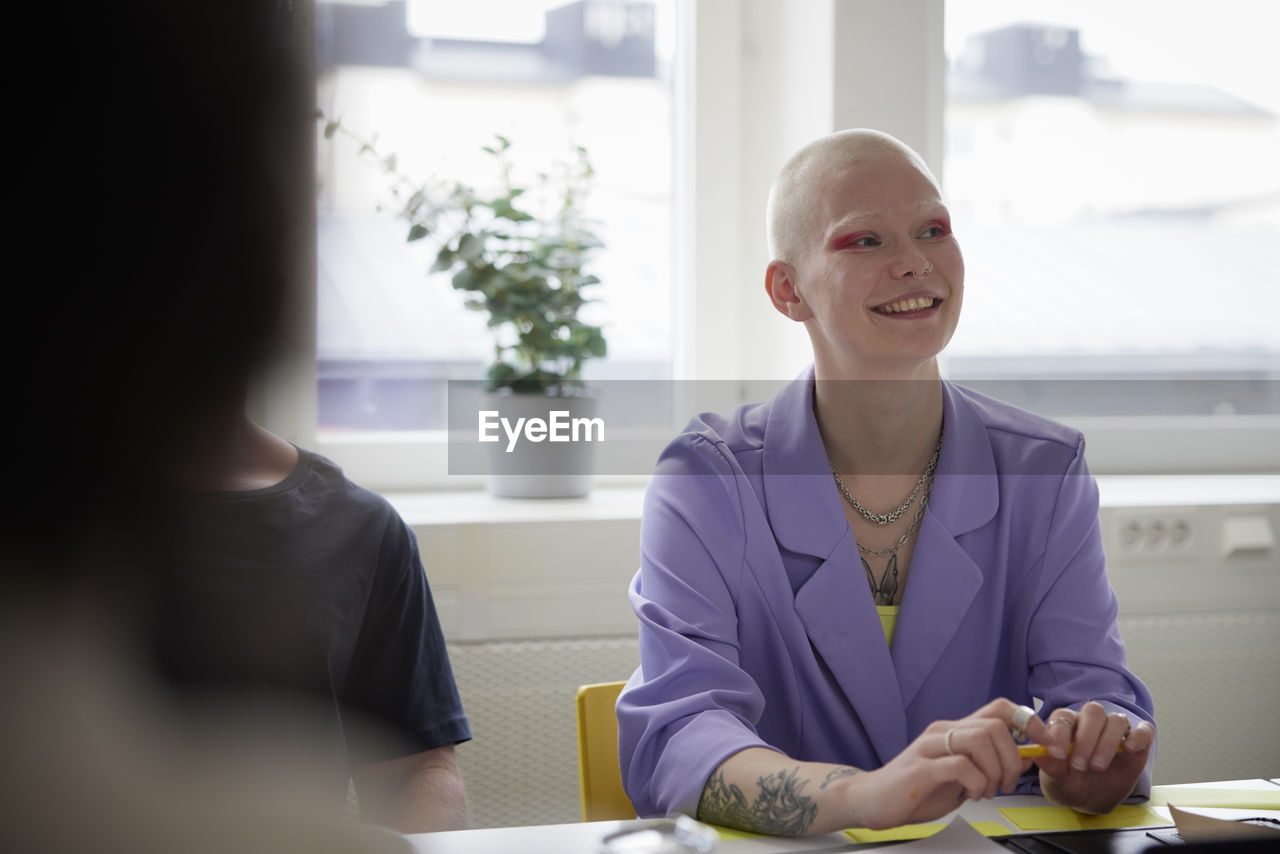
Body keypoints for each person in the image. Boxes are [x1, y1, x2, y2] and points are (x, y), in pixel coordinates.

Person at [616, 129, 1157, 836]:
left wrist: (1095, 757)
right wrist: (860, 798)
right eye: (864, 241)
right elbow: (682, 737)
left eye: (933, 230)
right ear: (789, 291)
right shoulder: (705, 480)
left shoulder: (1045, 471)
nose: (914, 263)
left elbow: (1093, 696)